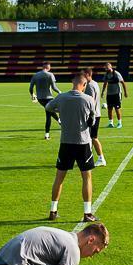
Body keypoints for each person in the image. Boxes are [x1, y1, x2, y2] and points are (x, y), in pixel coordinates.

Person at [46, 72, 101, 222]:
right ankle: (87, 213)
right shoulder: (88, 99)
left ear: (72, 82)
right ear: (84, 84)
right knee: (86, 177)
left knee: (59, 177)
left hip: (66, 143)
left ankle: (53, 211)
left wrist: (61, 111)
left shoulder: (61, 97)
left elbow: (48, 107)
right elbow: (92, 120)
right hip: (83, 143)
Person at [82, 67, 107, 167]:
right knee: (89, 138)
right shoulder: (94, 83)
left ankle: (101, 158)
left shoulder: (89, 86)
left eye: (83, 74)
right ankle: (88, 157)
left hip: (92, 115)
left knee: (93, 138)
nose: (82, 76)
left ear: (88, 74)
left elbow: (90, 101)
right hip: (96, 114)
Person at [30, 62, 62, 140]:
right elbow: (54, 87)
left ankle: (58, 121)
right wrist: (60, 92)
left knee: (49, 112)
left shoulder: (36, 75)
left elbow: (30, 88)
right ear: (48, 67)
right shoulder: (50, 75)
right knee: (49, 114)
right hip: (49, 97)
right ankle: (47, 134)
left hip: (40, 99)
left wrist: (32, 95)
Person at [100, 62, 128, 129]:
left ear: (111, 67)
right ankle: (111, 123)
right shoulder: (106, 74)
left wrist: (125, 92)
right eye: (106, 68)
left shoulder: (116, 74)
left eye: (108, 68)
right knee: (109, 109)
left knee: (117, 108)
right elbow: (105, 83)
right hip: (109, 94)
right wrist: (103, 92)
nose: (107, 69)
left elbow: (123, 83)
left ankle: (119, 123)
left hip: (117, 93)